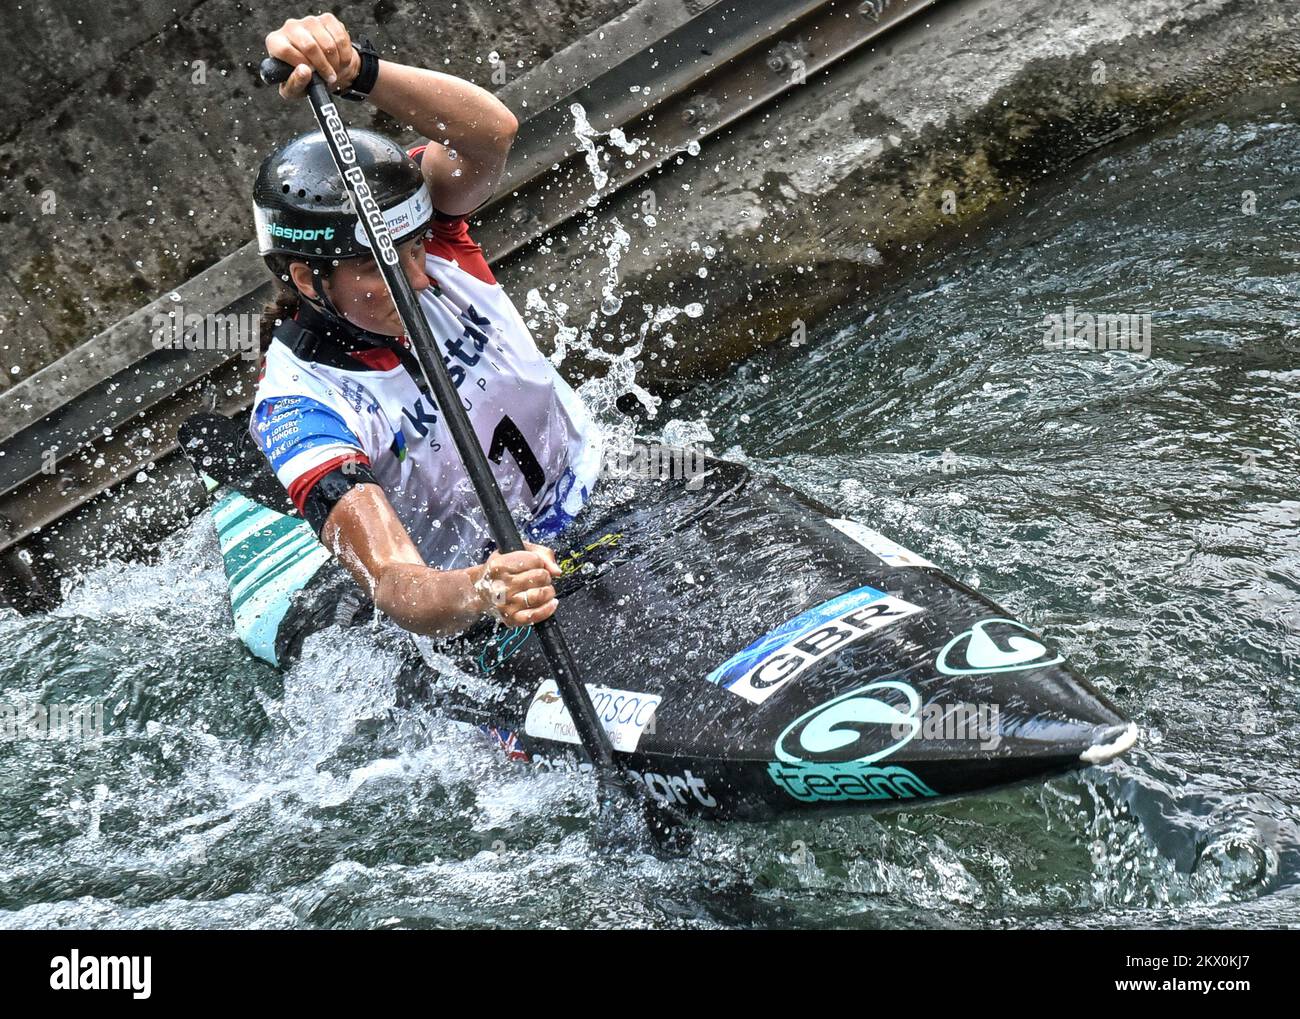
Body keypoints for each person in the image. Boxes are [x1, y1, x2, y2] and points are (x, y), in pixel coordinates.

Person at [250, 13, 602, 639]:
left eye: (414, 248)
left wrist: (359, 70)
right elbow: (391, 581)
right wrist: (483, 587)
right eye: (378, 267)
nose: (418, 279)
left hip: (612, 500)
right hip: (499, 608)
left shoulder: (433, 237)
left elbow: (491, 132)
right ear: (307, 280)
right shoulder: (299, 406)